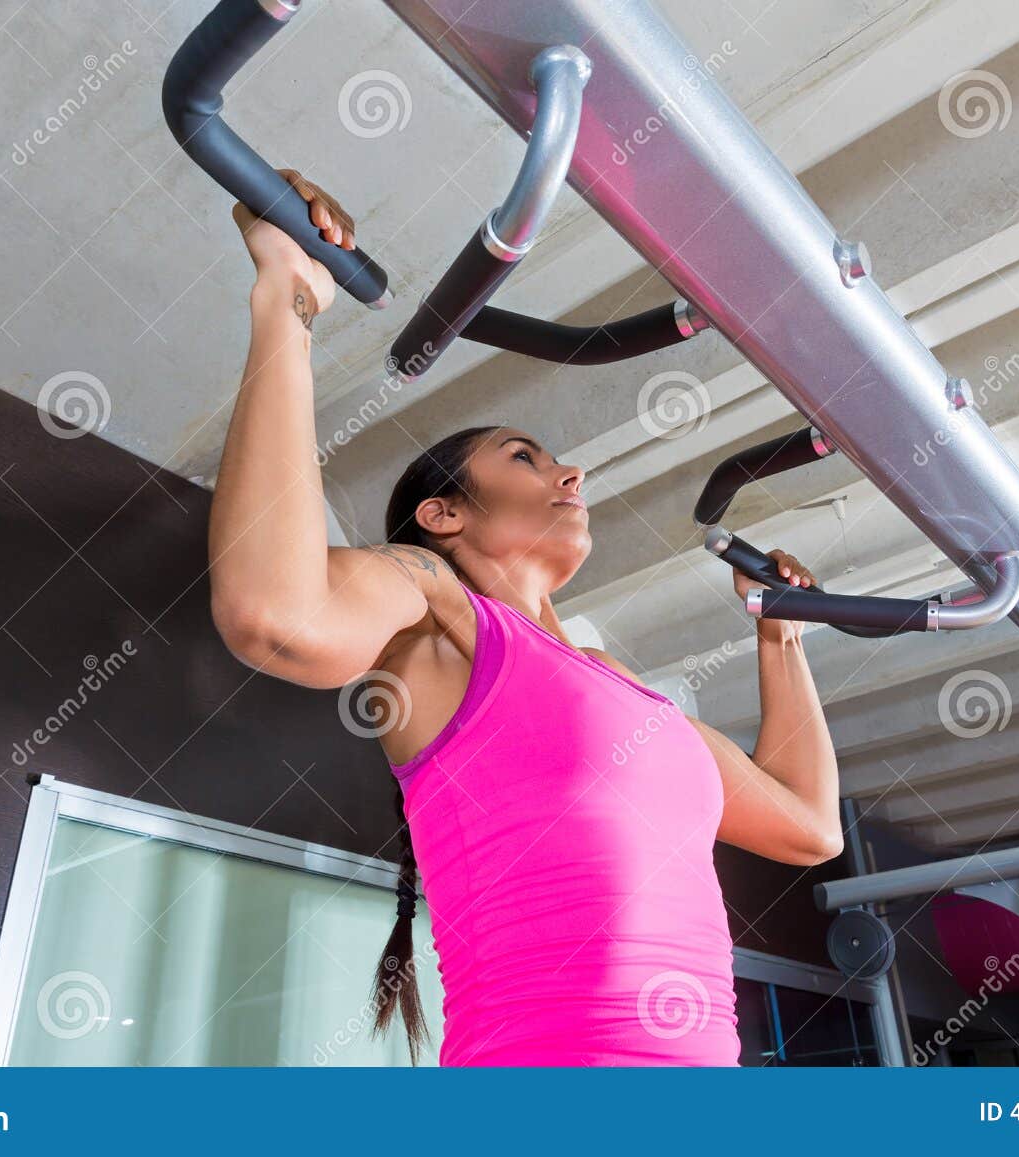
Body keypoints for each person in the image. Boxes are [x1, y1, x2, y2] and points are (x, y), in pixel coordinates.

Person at [208, 171, 843, 1067]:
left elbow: (811, 827)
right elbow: (274, 615)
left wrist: (780, 637)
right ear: (443, 514)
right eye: (525, 457)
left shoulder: (629, 696)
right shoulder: (435, 608)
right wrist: (290, 301)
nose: (570, 474)